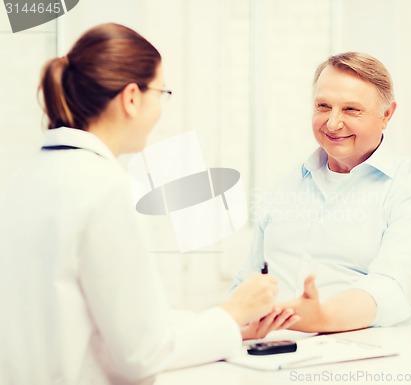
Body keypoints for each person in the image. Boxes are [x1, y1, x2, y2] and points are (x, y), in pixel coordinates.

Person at [0, 23, 298, 385]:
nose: (161, 108)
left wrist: (228, 319)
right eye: (162, 92)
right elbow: (143, 354)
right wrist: (232, 315)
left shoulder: (23, 179)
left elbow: (105, 326)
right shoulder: (106, 188)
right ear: (131, 97)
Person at [233, 52, 411, 332]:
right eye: (323, 106)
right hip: (270, 353)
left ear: (387, 114)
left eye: (351, 110)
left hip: (368, 360)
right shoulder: (285, 186)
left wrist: (320, 318)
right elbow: (246, 283)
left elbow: (390, 288)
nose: (332, 123)